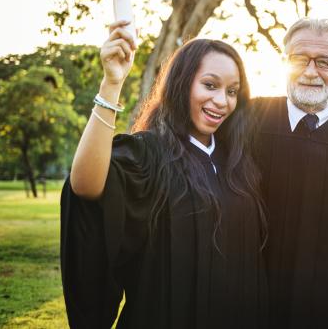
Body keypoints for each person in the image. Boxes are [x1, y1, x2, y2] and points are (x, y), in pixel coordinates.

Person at [61, 21, 268, 328]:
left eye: (232, 91)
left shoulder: (238, 163)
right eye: (210, 85)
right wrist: (112, 83)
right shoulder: (149, 154)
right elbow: (87, 187)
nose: (222, 101)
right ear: (182, 83)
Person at [250, 18, 328, 328]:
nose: (310, 71)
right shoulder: (249, 118)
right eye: (299, 59)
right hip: (253, 294)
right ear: (284, 62)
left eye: (324, 62)